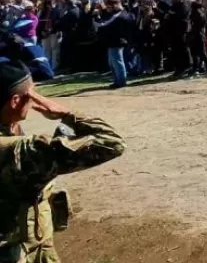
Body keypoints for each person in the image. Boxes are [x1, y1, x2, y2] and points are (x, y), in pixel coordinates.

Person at [0, 59, 126, 262]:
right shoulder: (25, 150)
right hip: (20, 250)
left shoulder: (10, 131)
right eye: (32, 94)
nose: (35, 100)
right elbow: (112, 143)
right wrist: (68, 114)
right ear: (15, 101)